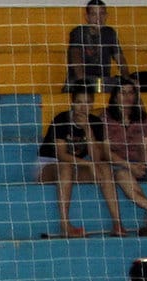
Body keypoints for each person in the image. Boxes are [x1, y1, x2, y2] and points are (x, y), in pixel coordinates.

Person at [37, 87, 125, 237]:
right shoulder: (61, 119)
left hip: (76, 166)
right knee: (66, 168)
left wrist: (88, 129)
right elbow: (62, 155)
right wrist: (88, 164)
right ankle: (65, 224)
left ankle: (117, 223)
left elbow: (96, 158)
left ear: (92, 104)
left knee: (104, 168)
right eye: (79, 102)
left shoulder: (95, 122)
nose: (83, 108)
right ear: (72, 102)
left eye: (87, 103)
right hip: (48, 166)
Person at [101, 79, 147, 235]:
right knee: (123, 176)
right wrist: (130, 166)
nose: (127, 96)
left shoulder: (142, 117)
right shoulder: (106, 118)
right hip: (118, 164)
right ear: (115, 97)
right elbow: (106, 152)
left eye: (131, 92)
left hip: (139, 163)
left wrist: (142, 165)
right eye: (123, 92)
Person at [66, 0, 130, 90]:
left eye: (102, 14)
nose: (98, 18)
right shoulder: (78, 32)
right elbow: (76, 57)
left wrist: (127, 80)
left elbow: (120, 59)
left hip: (104, 81)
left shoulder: (110, 32)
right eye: (93, 14)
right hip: (79, 81)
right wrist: (82, 81)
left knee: (130, 89)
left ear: (106, 16)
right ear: (87, 17)